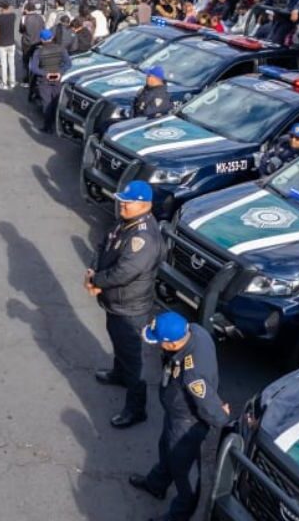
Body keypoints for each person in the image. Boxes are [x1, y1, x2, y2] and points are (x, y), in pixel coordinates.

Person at [128, 311, 230, 521]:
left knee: (183, 474)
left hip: (186, 425)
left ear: (172, 344)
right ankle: (156, 484)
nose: (157, 346)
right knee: (165, 450)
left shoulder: (192, 374)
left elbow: (209, 407)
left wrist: (221, 416)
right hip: (175, 416)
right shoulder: (196, 331)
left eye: (159, 343)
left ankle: (176, 517)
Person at [85, 180, 160, 428]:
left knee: (133, 358)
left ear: (145, 205)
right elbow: (103, 244)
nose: (123, 206)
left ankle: (136, 409)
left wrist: (97, 281)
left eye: (129, 203)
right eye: (123, 201)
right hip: (115, 301)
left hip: (130, 307)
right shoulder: (125, 222)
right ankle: (119, 374)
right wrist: (93, 268)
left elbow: (124, 272)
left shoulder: (143, 237)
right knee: (118, 342)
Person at [29, 28, 72, 132]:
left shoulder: (38, 51)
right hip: (57, 79)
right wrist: (59, 73)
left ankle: (48, 126)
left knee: (46, 102)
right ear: (52, 37)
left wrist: (46, 74)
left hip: (44, 80)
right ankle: (55, 124)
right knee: (55, 101)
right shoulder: (61, 49)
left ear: (42, 39)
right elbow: (68, 64)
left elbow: (33, 68)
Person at [0, 1, 18, 90]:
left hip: (2, 43)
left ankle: (4, 82)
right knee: (11, 63)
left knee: (4, 64)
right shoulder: (13, 16)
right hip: (11, 43)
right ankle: (12, 82)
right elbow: (11, 11)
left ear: (1, 7)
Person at [20, 1, 46, 91]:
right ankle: (35, 79)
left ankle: (26, 80)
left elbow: (21, 30)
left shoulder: (24, 18)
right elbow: (43, 28)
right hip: (38, 42)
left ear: (26, 9)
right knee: (36, 61)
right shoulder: (41, 17)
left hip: (27, 42)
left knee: (26, 61)